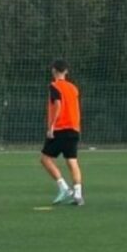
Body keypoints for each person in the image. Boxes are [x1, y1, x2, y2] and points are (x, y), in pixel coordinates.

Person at [41, 60, 85, 206]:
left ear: (53, 70)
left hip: (60, 128)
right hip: (74, 128)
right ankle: (78, 194)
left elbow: (58, 105)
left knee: (45, 159)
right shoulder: (73, 88)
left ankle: (64, 188)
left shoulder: (54, 86)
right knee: (72, 161)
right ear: (66, 71)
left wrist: (51, 126)